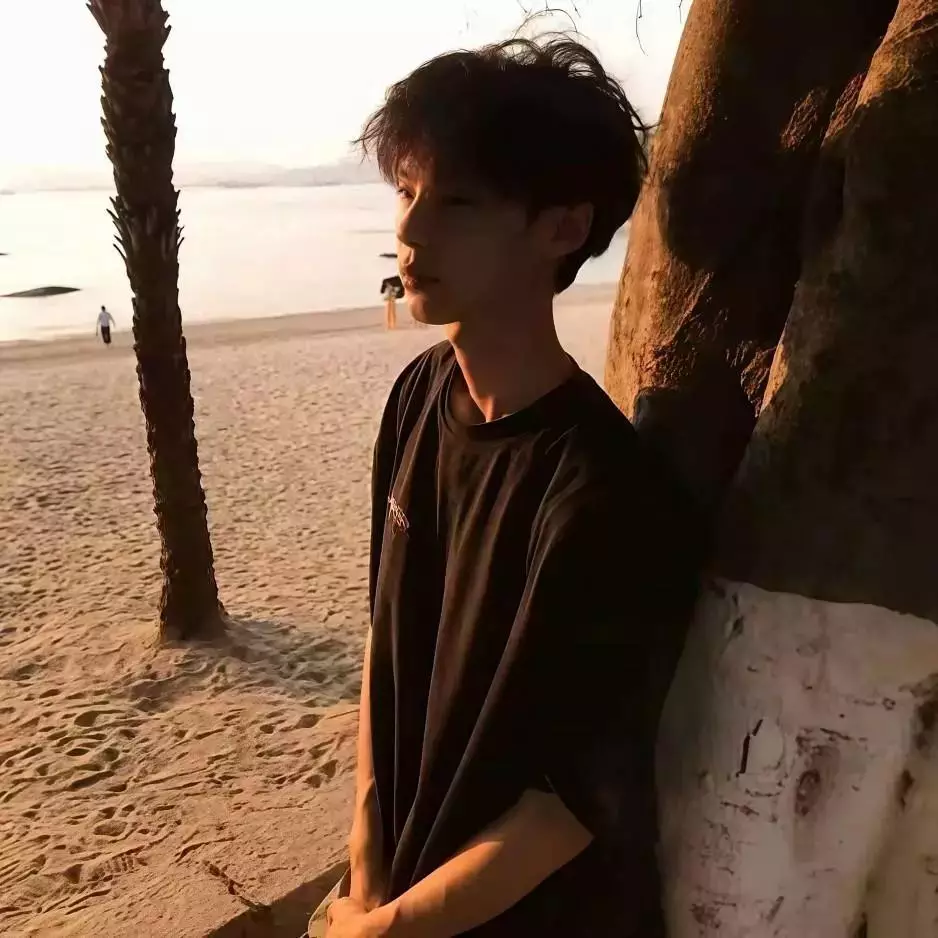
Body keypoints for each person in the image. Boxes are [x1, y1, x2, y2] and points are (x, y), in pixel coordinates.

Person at [317, 35, 701, 938]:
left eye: (456, 202)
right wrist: (368, 858)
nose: (411, 232)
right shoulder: (417, 397)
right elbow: (386, 638)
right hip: (396, 886)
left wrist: (389, 929)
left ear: (562, 229)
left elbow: (566, 807)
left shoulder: (608, 495)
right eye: (407, 192)